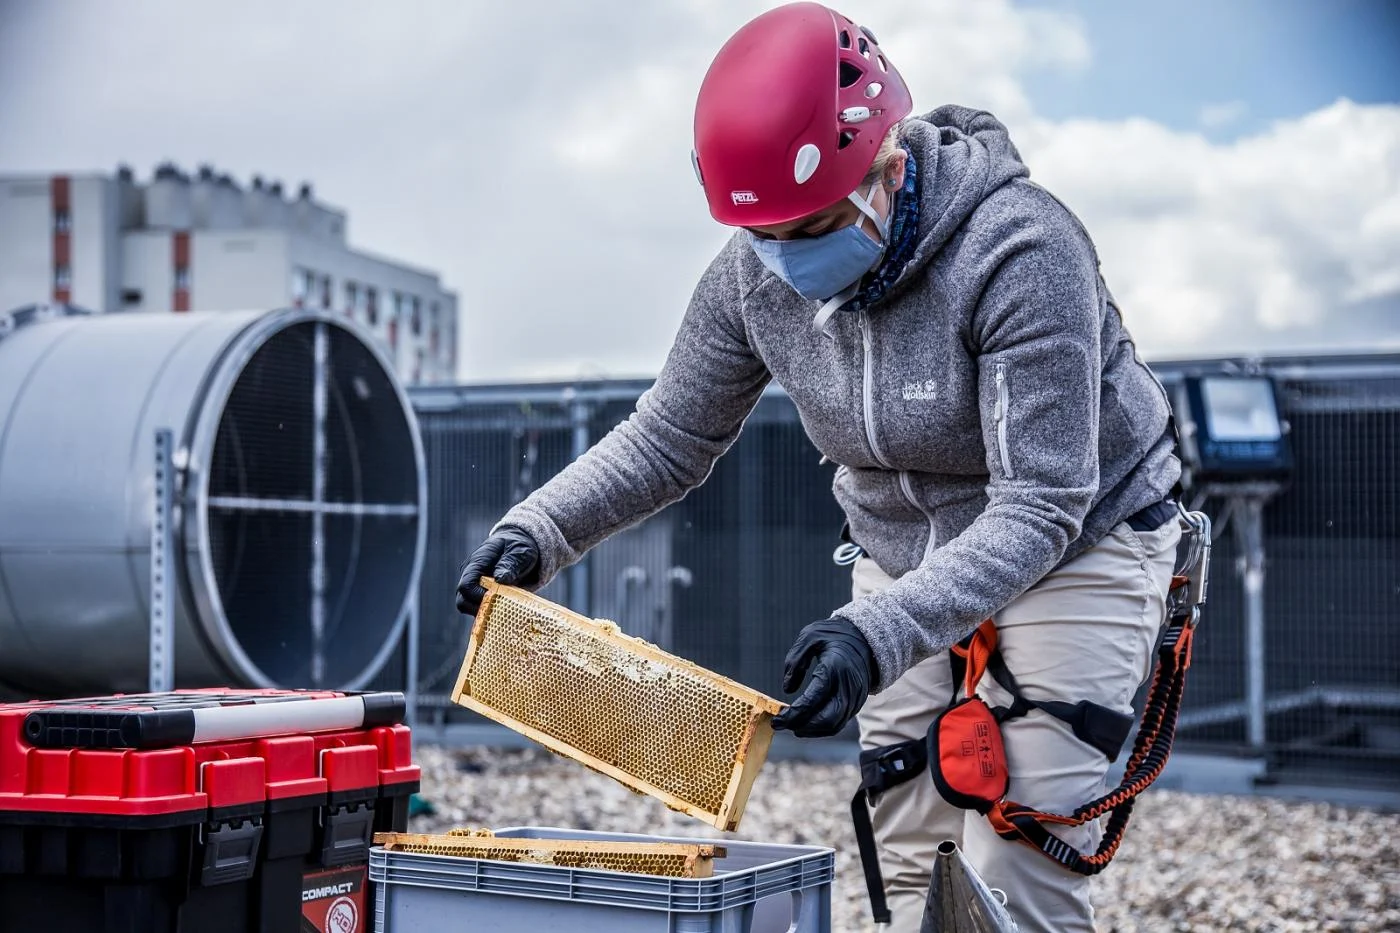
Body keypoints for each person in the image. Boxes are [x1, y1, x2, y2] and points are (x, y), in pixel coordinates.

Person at [456, 3, 1183, 930]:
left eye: (814, 228)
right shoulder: (753, 272)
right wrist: (537, 532)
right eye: (768, 235)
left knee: (1018, 860)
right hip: (898, 549)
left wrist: (872, 635)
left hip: (1078, 539)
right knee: (915, 840)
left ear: (887, 164)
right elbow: (668, 433)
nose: (788, 261)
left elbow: (1040, 502)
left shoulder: (1021, 249)